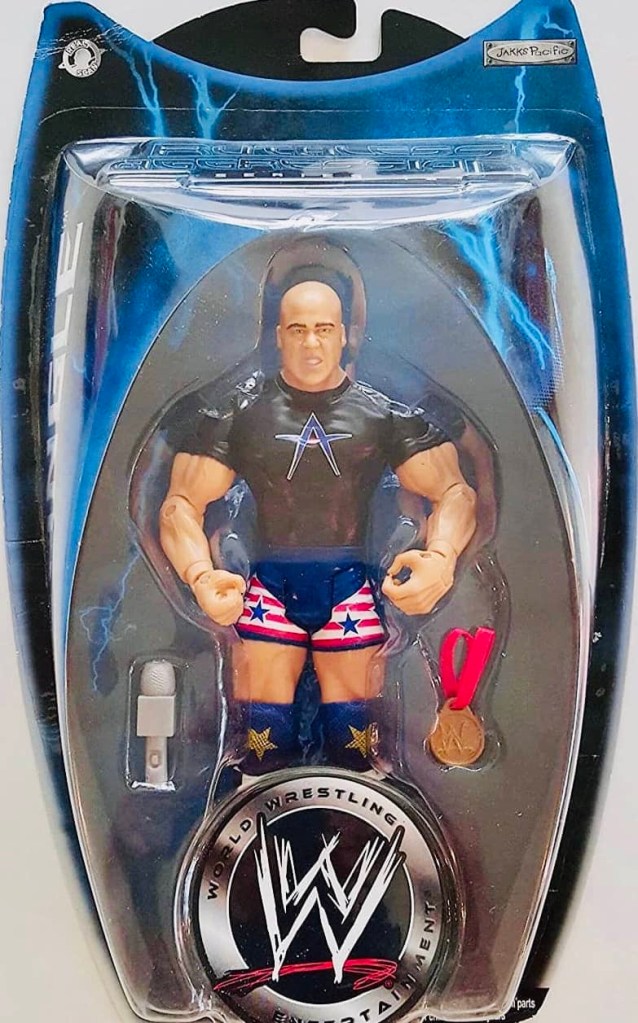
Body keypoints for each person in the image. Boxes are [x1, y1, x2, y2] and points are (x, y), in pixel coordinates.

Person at [159, 275, 477, 773]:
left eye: (324, 329)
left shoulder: (381, 415)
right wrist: (200, 576)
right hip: (269, 582)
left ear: (345, 334)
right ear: (278, 336)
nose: (311, 344)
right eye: (299, 329)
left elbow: (455, 492)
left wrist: (440, 560)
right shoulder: (240, 415)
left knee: (355, 737)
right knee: (262, 736)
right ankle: (256, 796)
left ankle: (357, 803)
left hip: (348, 583)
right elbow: (180, 505)